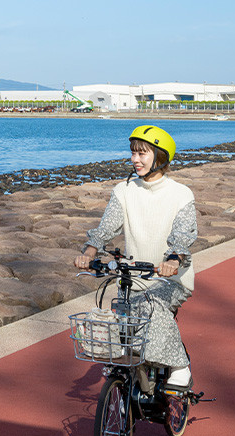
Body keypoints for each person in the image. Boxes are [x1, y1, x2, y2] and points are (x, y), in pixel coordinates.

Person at [73, 125, 198, 389]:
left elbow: (183, 235)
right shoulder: (125, 190)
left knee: (150, 305)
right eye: (132, 153)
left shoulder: (180, 194)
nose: (135, 159)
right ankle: (131, 385)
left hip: (170, 279)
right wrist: (89, 251)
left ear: (160, 157)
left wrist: (173, 260)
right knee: (119, 321)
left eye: (142, 154)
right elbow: (107, 227)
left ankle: (180, 366)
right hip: (132, 276)